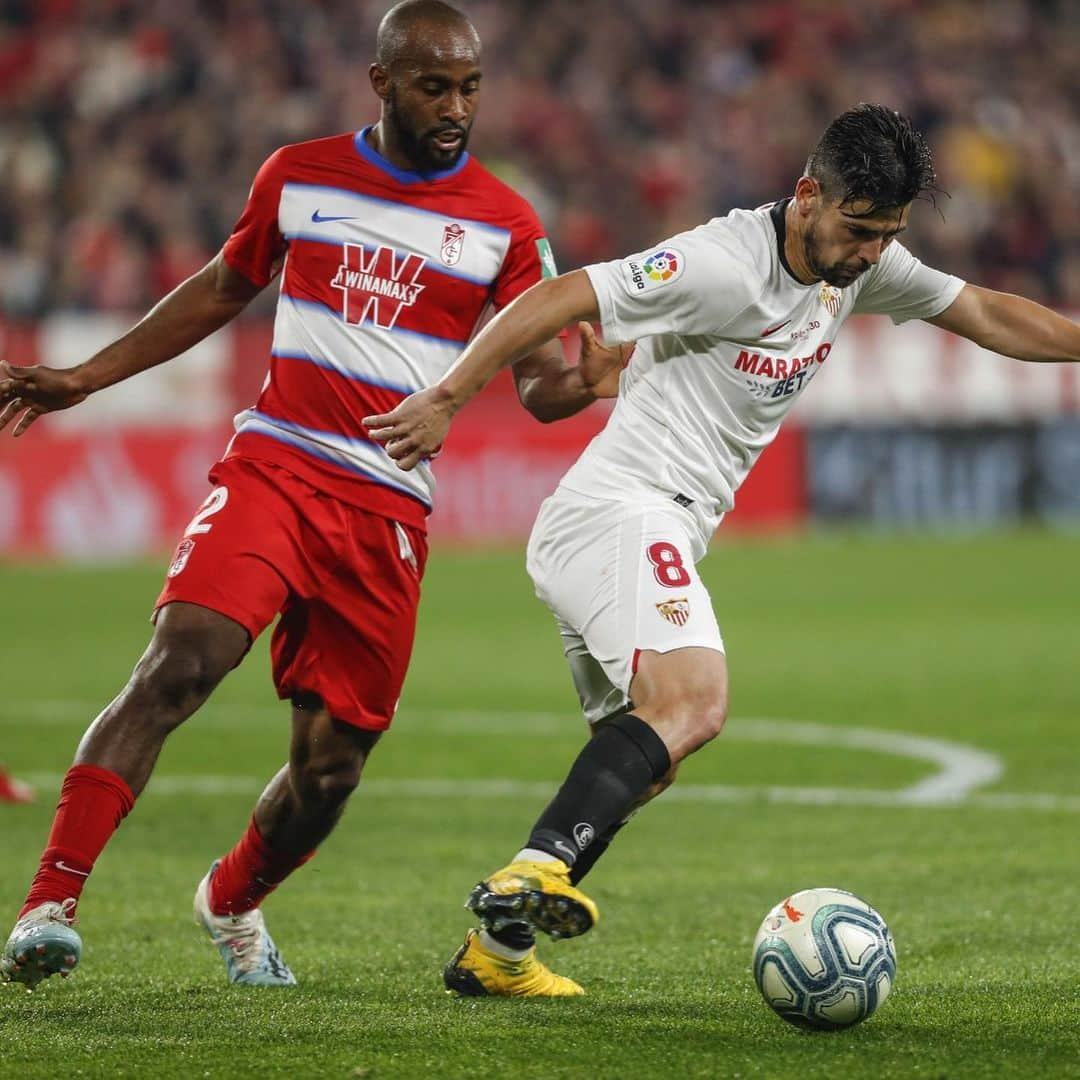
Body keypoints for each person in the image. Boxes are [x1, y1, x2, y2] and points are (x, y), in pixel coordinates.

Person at [364, 103, 1080, 996]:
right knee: (696, 703)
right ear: (808, 194)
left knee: (640, 766)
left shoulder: (858, 263)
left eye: (885, 236)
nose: (869, 253)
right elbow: (560, 295)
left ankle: (497, 954)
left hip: (645, 523)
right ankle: (533, 875)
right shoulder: (722, 266)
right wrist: (447, 396)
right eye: (859, 231)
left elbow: (983, 313)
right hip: (623, 511)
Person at [0, 0, 622, 994]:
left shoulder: (506, 222)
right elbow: (217, 288)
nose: (456, 105)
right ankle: (48, 904)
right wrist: (83, 377)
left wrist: (590, 378)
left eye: (469, 86)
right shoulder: (298, 176)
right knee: (179, 664)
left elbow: (540, 383)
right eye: (433, 85)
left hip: (385, 516)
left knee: (331, 770)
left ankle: (233, 899)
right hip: (277, 469)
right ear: (381, 83)